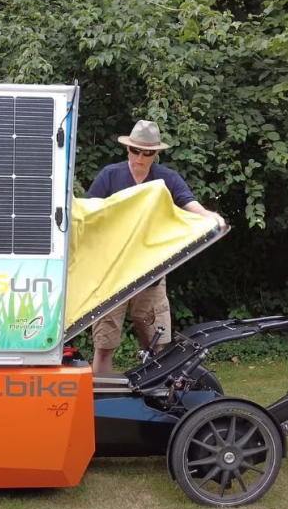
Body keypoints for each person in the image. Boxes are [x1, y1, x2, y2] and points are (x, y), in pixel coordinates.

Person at [87, 120, 225, 374]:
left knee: (156, 344)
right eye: (134, 150)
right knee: (104, 344)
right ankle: (97, 404)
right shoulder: (110, 175)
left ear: (156, 153)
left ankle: (154, 403)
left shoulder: (166, 178)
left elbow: (189, 203)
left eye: (147, 152)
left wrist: (210, 217)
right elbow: (88, 212)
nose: (139, 157)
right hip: (111, 274)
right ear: (127, 149)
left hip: (151, 273)